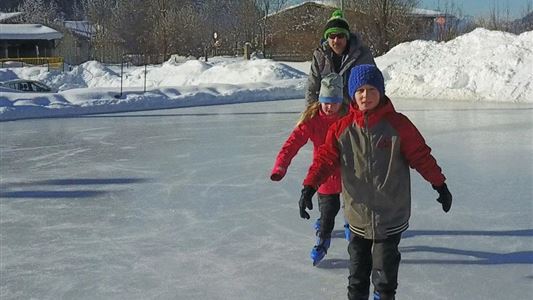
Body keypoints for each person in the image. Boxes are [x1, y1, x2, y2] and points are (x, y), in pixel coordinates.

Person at [298, 65, 453, 300]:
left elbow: (421, 156)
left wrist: (439, 184)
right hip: (358, 214)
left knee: (384, 274)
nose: (365, 95)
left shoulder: (399, 125)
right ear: (352, 94)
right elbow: (325, 160)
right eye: (359, 90)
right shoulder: (342, 129)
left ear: (381, 92)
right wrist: (309, 186)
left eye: (371, 89)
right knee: (357, 276)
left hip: (390, 215)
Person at [270, 73, 348, 266]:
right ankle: (322, 241)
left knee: (352, 207)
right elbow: (292, 144)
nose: (329, 107)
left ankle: (350, 224)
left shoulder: (349, 116)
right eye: (326, 102)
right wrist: (280, 166)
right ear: (320, 100)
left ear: (341, 100)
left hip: (349, 175)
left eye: (334, 102)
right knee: (328, 212)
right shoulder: (312, 120)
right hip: (324, 176)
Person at [305, 9, 375, 107]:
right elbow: (312, 88)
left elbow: (371, 86)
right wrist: (311, 114)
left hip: (354, 111)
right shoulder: (319, 55)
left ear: (347, 37)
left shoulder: (362, 54)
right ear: (327, 38)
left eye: (340, 36)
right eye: (332, 36)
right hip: (329, 110)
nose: (336, 40)